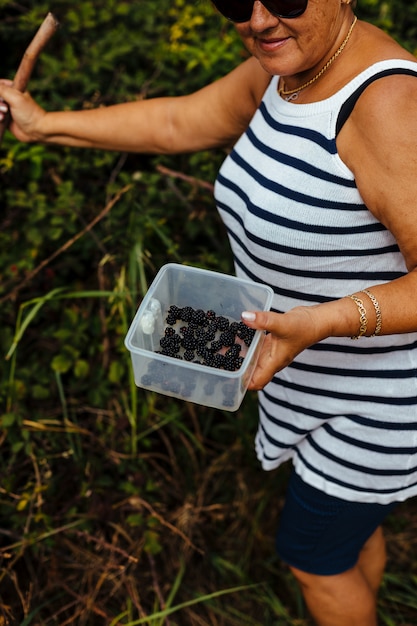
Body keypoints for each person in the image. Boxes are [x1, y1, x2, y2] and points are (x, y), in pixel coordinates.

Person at [1, 1, 417, 624]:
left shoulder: (389, 106)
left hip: (377, 403)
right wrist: (44, 125)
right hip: (306, 377)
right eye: (233, 1)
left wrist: (321, 321)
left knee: (313, 557)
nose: (260, 20)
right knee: (345, 533)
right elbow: (176, 122)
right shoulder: (284, 71)